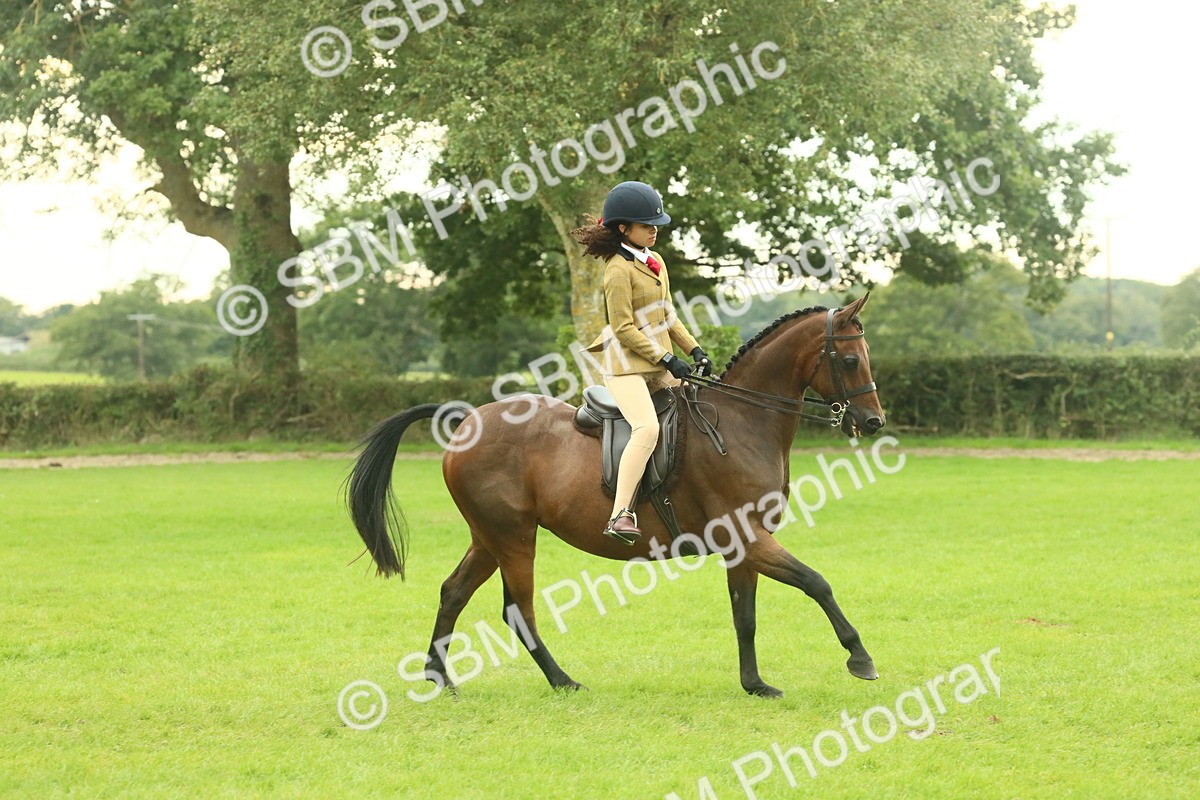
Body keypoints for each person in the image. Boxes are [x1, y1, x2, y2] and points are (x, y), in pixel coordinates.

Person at [571, 180, 711, 544]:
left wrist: (694, 350)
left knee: (700, 407)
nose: (655, 230)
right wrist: (667, 358)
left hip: (656, 364)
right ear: (623, 229)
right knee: (647, 429)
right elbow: (623, 328)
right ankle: (620, 513)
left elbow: (667, 314)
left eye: (656, 224)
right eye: (647, 225)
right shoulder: (617, 271)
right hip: (625, 367)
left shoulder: (655, 261)